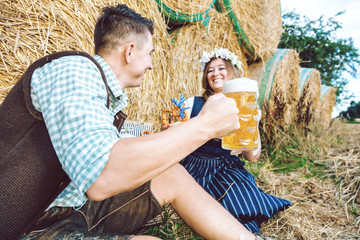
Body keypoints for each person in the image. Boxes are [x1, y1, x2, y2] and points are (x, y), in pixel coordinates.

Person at [9, 4, 273, 240]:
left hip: (74, 205)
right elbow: (102, 176)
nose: (151, 65)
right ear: (130, 51)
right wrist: (205, 125)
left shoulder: (104, 94)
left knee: (170, 173)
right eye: (150, 54)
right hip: (29, 225)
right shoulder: (73, 70)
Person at [176, 48, 292, 235]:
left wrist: (254, 124)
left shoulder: (246, 108)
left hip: (225, 167)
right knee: (210, 204)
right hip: (195, 165)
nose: (215, 74)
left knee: (238, 200)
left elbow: (252, 157)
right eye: (210, 70)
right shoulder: (193, 104)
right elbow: (178, 141)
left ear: (234, 72)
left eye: (221, 68)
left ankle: (247, 234)